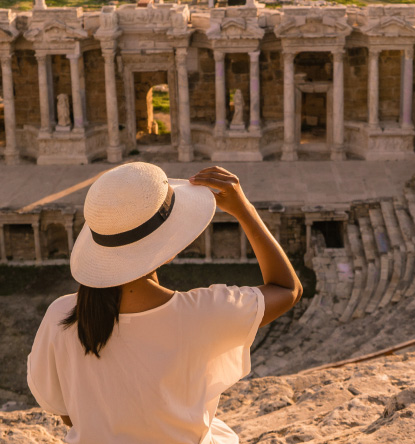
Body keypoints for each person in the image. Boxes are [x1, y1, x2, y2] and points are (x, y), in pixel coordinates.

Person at [27, 162, 302, 444]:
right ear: (168, 249)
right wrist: (245, 211)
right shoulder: (206, 313)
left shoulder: (60, 316)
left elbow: (65, 412)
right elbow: (287, 288)